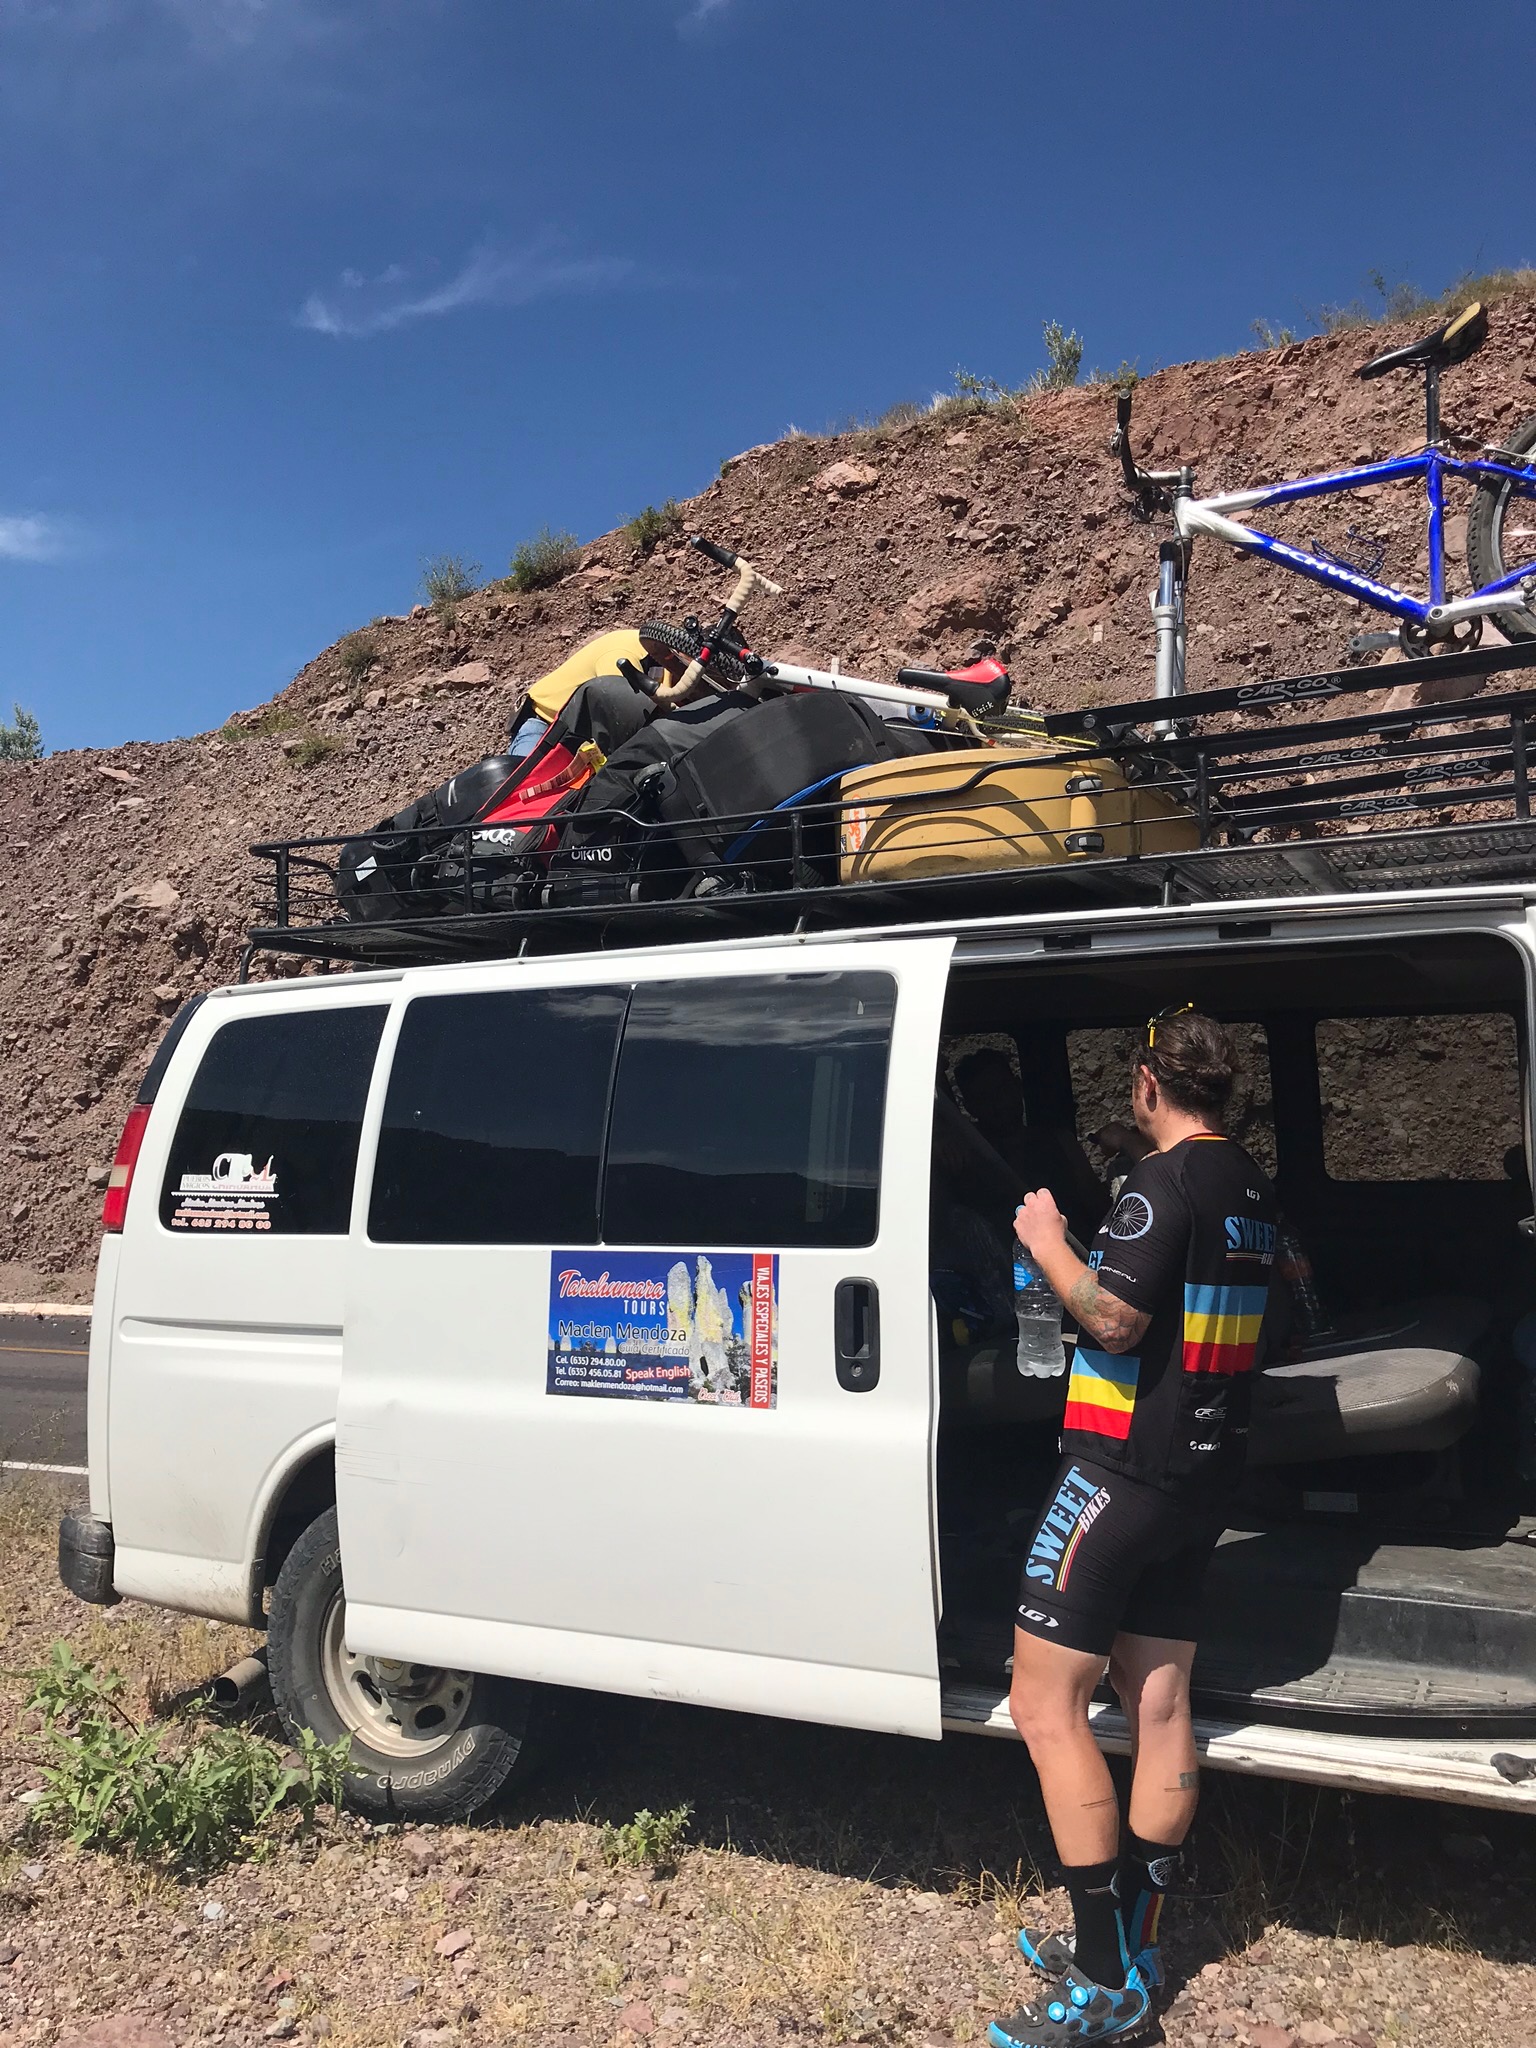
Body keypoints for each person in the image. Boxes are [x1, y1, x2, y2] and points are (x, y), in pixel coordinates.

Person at [988, 1007, 1278, 2048]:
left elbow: (1113, 1317)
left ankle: (1104, 1981)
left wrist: (1047, 1242)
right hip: (1202, 1475)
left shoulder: (1162, 1183)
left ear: (1150, 1082)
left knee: (1043, 1704)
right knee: (1157, 1700)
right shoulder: (1249, 1184)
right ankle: (1137, 1944)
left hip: (1116, 1472)